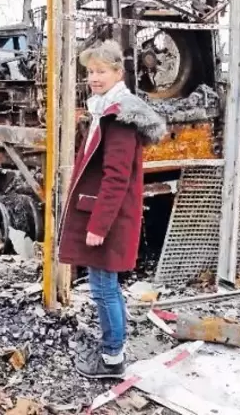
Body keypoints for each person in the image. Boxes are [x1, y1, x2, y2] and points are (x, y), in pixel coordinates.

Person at [58, 40, 167, 379]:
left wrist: (98, 225)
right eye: (90, 71)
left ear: (119, 73)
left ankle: (111, 359)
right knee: (108, 287)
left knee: (104, 289)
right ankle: (113, 348)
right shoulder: (106, 109)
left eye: (101, 71)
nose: (93, 77)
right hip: (105, 215)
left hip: (107, 218)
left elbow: (116, 178)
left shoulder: (119, 117)